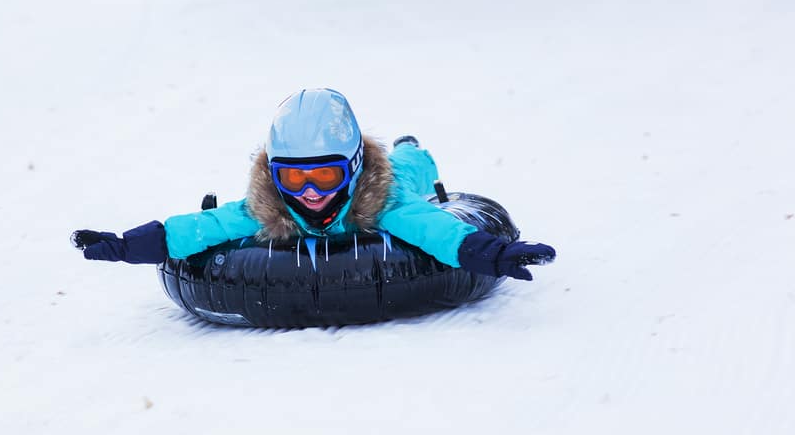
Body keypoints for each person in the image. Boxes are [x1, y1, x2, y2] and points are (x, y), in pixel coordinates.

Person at [71, 88, 555, 280]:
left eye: (325, 175)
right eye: (293, 177)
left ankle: (410, 146)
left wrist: (492, 254)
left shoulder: (383, 202)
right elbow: (195, 230)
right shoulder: (266, 211)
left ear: (351, 169)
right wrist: (122, 246)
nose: (310, 192)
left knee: (409, 166)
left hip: (397, 177)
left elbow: (436, 230)